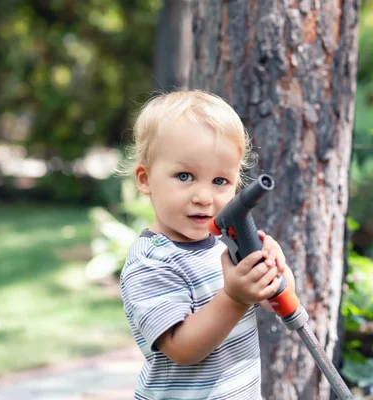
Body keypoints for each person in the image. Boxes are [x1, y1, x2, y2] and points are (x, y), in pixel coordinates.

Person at [119, 90, 295, 400]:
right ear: (145, 179)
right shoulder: (150, 263)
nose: (204, 196)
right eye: (184, 175)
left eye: (220, 181)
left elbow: (273, 299)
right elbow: (183, 349)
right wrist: (235, 298)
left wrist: (274, 272)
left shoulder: (223, 246)